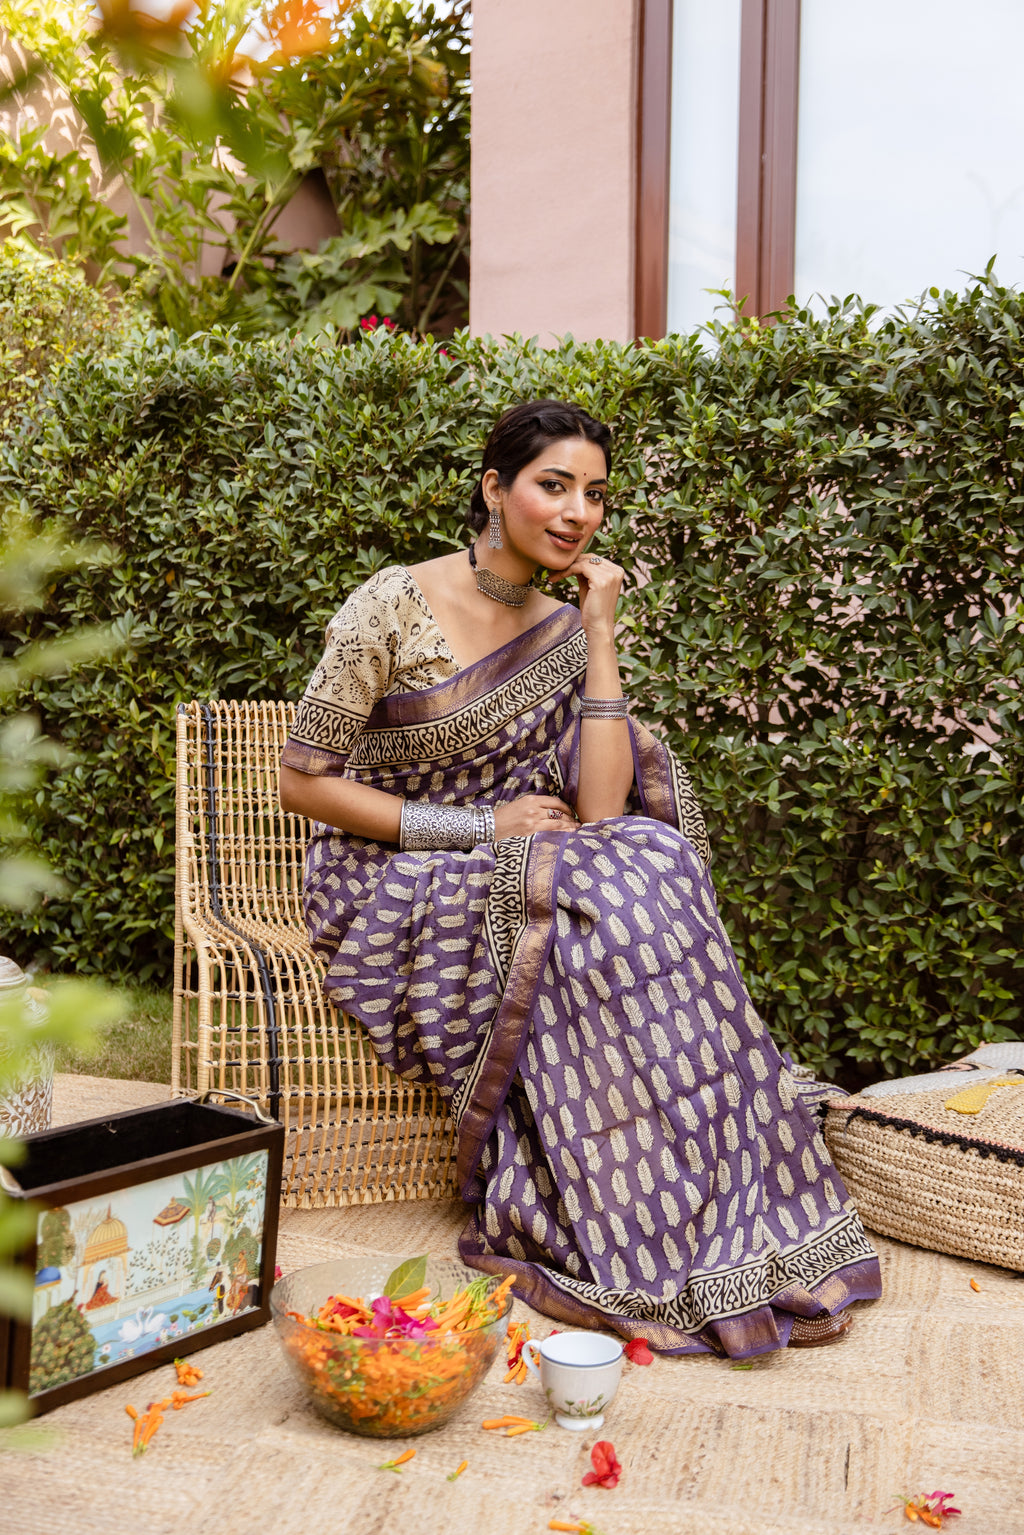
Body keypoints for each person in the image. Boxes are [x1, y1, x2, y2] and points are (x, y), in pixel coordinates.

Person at [279, 399, 882, 1357]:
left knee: (651, 855)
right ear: (495, 489)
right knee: (606, 887)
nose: (576, 512)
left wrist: (597, 630)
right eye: (552, 486)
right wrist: (479, 823)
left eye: (593, 493)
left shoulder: (563, 623)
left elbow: (602, 808)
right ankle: (636, 1206)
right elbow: (303, 782)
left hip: (537, 852)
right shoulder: (391, 604)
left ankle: (692, 1183)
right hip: (395, 871)